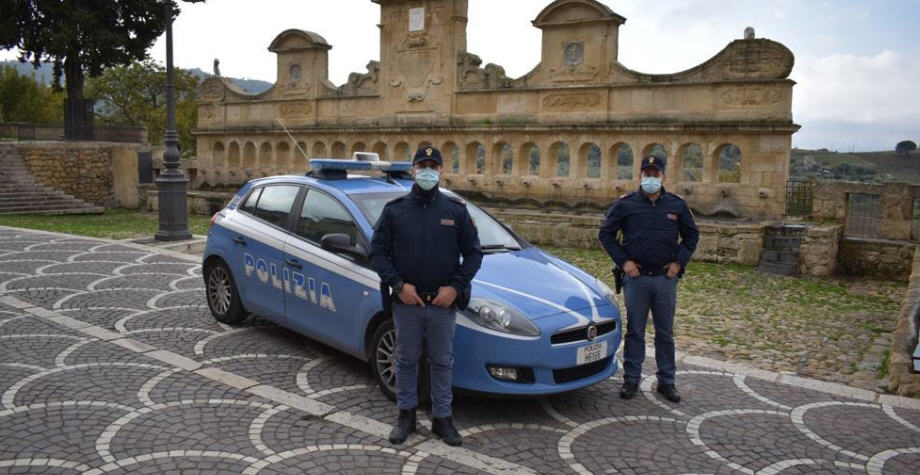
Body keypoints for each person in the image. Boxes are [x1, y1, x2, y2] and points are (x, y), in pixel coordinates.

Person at [370, 145, 483, 446]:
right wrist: (397, 285)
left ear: (441, 172)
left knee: (442, 362)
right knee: (405, 360)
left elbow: (473, 254)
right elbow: (378, 253)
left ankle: (442, 419)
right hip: (407, 302)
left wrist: (455, 288)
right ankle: (405, 416)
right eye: (423, 166)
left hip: (443, 303)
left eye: (434, 166)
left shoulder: (455, 211)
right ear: (413, 170)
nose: (428, 172)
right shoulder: (395, 210)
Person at [598, 155, 699, 403]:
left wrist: (678, 263)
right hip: (637, 278)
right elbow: (606, 234)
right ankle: (631, 379)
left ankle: (667, 381)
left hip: (665, 279)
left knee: (665, 333)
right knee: (635, 332)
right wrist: (624, 262)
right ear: (639, 176)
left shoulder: (677, 205)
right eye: (647, 174)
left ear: (663, 177)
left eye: (655, 174)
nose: (651, 178)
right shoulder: (626, 204)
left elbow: (691, 236)